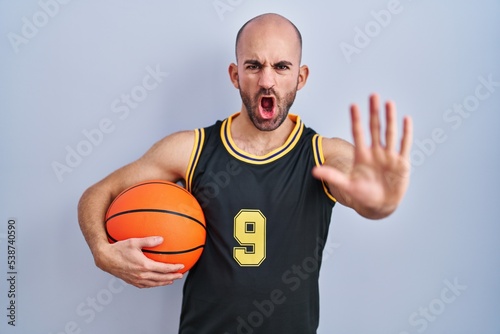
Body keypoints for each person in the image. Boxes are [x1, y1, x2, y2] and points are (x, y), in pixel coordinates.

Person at [78, 13, 413, 334]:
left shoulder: (324, 155)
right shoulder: (191, 150)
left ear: (301, 77)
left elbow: (366, 196)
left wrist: (382, 202)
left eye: (281, 67)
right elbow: (97, 194)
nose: (267, 81)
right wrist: (101, 251)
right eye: (254, 66)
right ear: (235, 75)